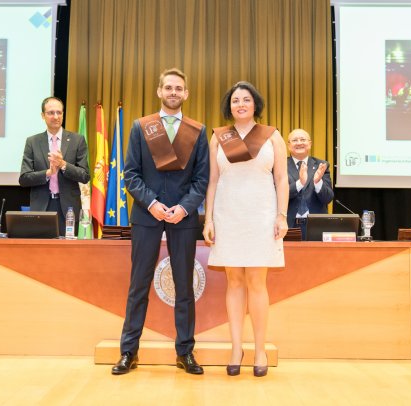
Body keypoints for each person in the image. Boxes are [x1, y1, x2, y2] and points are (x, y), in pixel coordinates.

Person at [112, 68, 209, 375]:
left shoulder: (197, 131)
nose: (173, 92)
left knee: (185, 287)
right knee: (138, 284)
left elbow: (202, 179)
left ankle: (185, 352)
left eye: (178, 88)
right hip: (146, 215)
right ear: (159, 91)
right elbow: (131, 174)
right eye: (168, 87)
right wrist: (152, 203)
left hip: (184, 218)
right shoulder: (141, 127)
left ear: (186, 93)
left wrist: (184, 208)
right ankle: (129, 352)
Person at [203, 81, 288, 377]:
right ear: (229, 106)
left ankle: (260, 349)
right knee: (234, 281)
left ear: (255, 105)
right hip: (228, 215)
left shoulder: (272, 136)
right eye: (235, 100)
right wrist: (208, 219)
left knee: (256, 282)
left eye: (246, 100)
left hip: (261, 216)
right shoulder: (218, 137)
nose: (240, 104)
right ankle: (236, 348)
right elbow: (212, 180)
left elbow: (282, 179)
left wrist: (281, 215)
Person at [19, 97, 90, 235]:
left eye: (59, 112)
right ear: (43, 115)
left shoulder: (77, 140)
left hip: (68, 210)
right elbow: (24, 178)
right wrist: (48, 173)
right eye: (51, 113)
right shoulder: (32, 142)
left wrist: (63, 164)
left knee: (67, 248)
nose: (56, 116)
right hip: (41, 208)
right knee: (40, 248)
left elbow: (85, 176)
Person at [286, 128, 334, 240]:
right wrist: (300, 183)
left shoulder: (321, 165)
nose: (299, 143)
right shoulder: (280, 165)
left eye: (303, 139)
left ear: (310, 144)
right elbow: (277, 195)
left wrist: (318, 182)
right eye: (295, 140)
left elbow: (327, 198)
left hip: (316, 226)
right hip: (289, 225)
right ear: (288, 145)